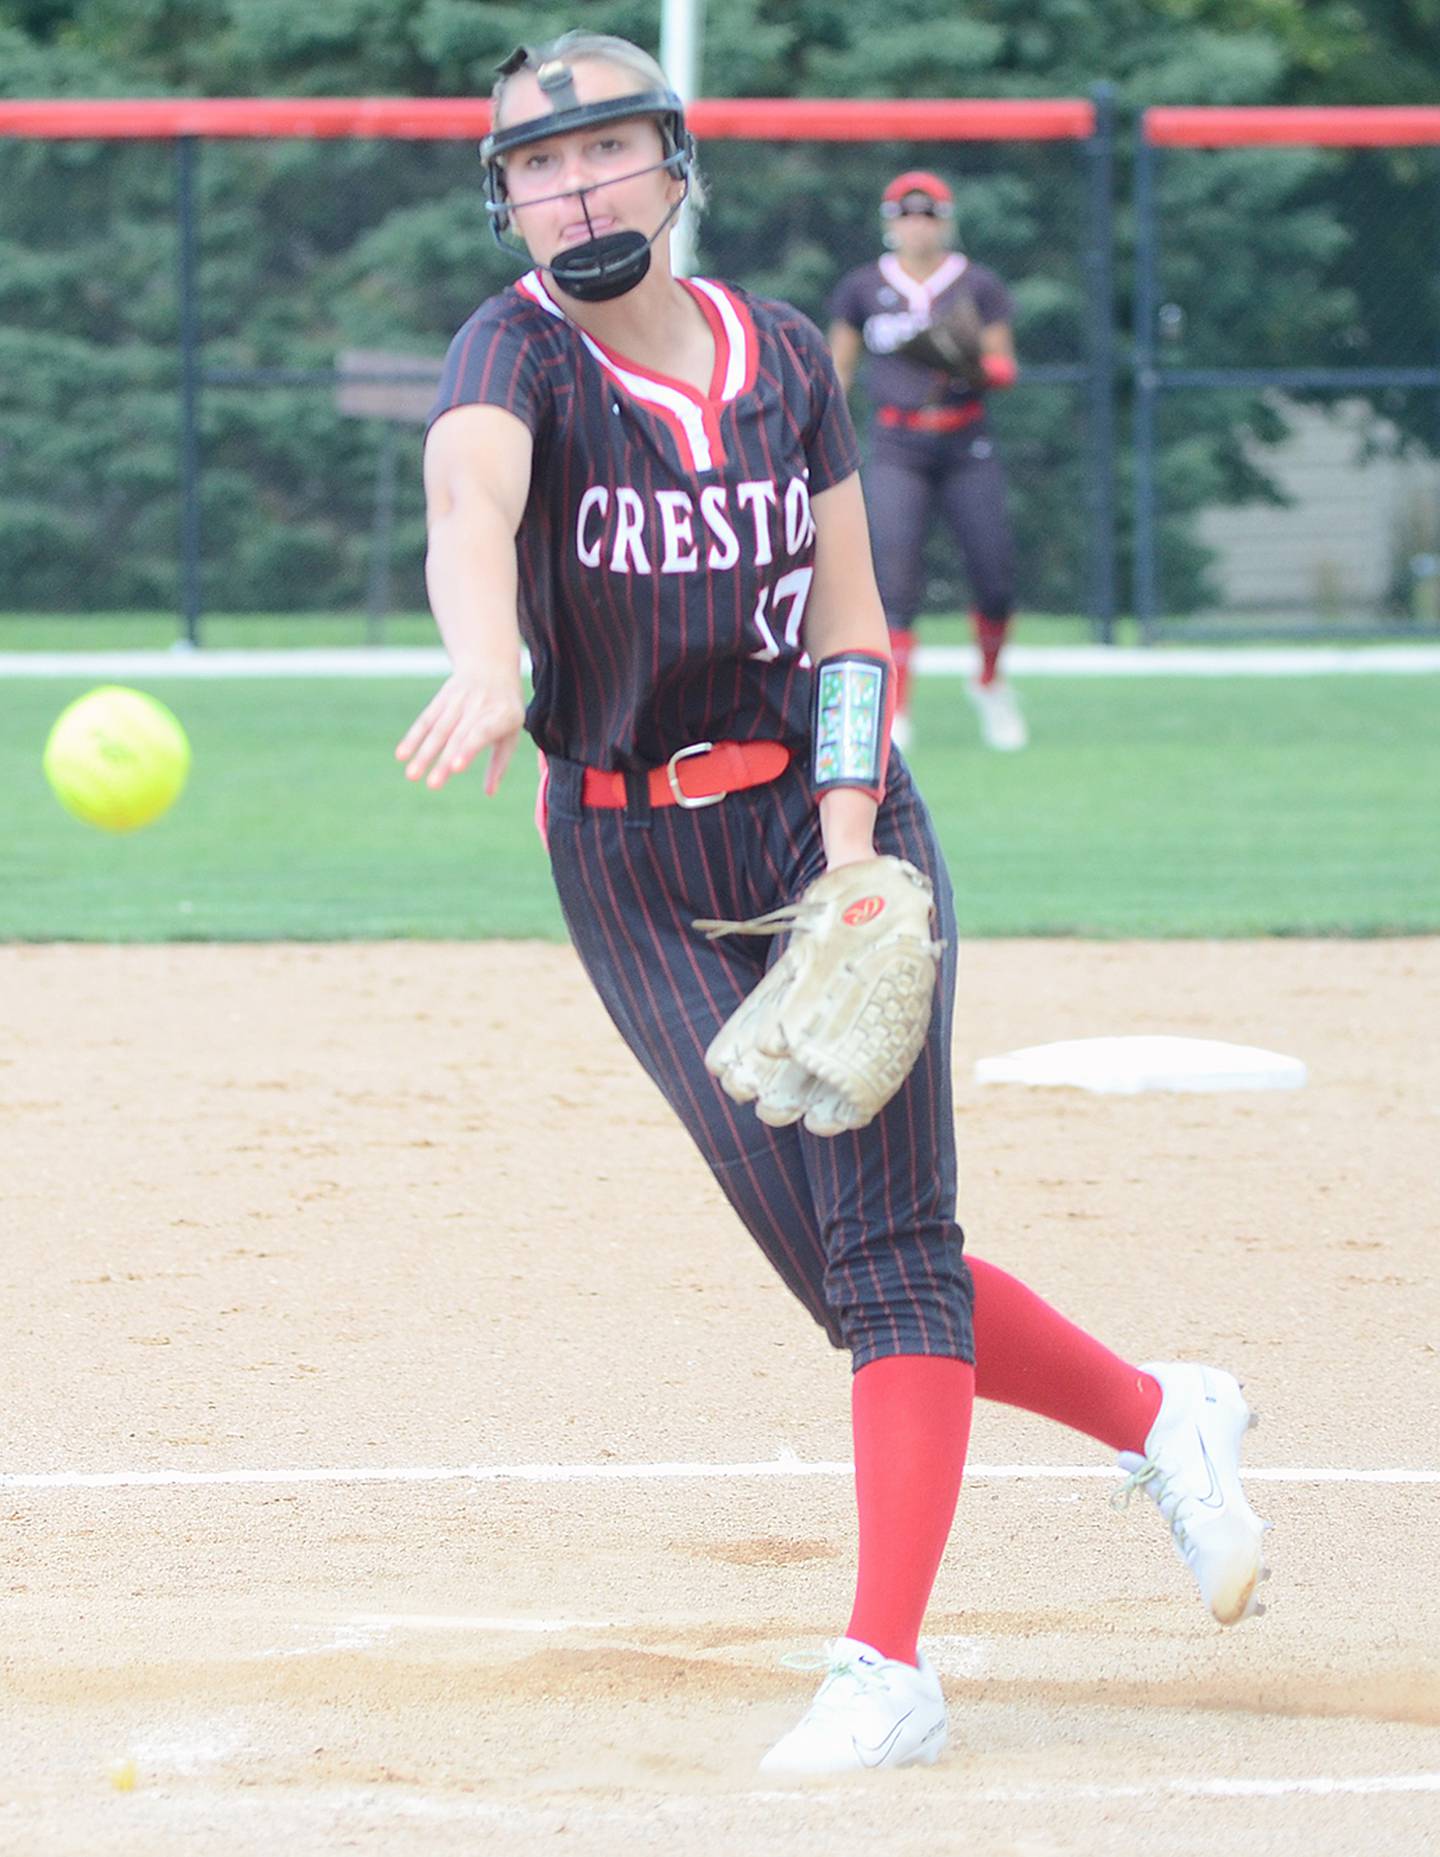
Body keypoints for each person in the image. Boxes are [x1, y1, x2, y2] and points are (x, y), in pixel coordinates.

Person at [397, 32, 1269, 1777]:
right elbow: (467, 503)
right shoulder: (514, 353)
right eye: (535, 167)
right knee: (850, 1274)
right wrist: (484, 662)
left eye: (604, 152)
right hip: (631, 863)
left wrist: (858, 842)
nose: (572, 190)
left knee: (885, 1261)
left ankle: (889, 1663)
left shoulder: (786, 353)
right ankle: (1163, 1413)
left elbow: (854, 620)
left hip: (825, 825)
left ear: (674, 162)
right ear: (506, 197)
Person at [829, 170, 1027, 752]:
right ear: (890, 221)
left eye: (930, 213)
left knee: (995, 577)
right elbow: (838, 369)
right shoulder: (864, 286)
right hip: (898, 441)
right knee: (895, 576)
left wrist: (969, 363)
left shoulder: (976, 284)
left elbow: (1003, 366)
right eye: (907, 213)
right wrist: (817, 426)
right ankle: (897, 712)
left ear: (947, 219)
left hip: (966, 439)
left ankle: (990, 681)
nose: (919, 225)